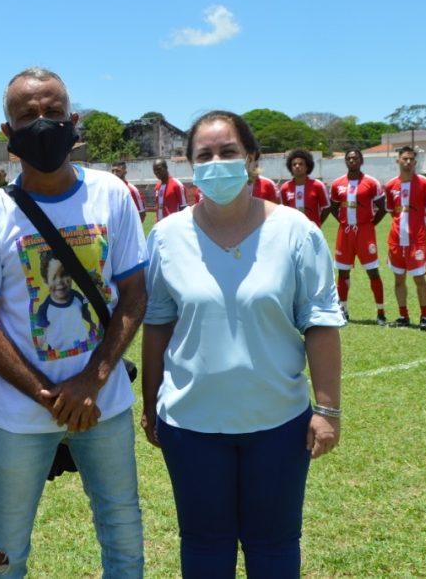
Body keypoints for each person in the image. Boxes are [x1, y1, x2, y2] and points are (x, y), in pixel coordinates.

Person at [0, 67, 146, 578]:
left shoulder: (111, 195)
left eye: (53, 113)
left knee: (123, 533)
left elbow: (134, 295)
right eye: (27, 116)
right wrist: (49, 396)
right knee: (5, 549)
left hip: (103, 406)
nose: (42, 124)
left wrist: (93, 381)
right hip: (20, 414)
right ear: (7, 134)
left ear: (73, 121)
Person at [141, 110, 343, 578]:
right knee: (204, 547)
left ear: (252, 160)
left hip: (277, 424)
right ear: (190, 165)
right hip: (191, 424)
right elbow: (157, 324)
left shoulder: (296, 231)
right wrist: (150, 403)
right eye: (204, 155)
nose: (217, 163)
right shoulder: (167, 237)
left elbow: (320, 323)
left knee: (273, 546)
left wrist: (328, 410)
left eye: (228, 152)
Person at [329, 149, 388, 324]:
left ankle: (381, 312)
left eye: (355, 158)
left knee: (373, 271)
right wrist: (342, 221)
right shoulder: (337, 183)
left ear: (361, 161)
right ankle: (344, 310)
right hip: (345, 232)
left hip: (364, 232)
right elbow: (333, 206)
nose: (352, 161)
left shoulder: (371, 182)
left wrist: (369, 225)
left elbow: (383, 207)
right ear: (345, 161)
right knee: (343, 272)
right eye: (349, 158)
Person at [383, 147, 426, 330]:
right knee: (399, 279)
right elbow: (392, 212)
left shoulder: (425, 184)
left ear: (415, 162)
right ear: (397, 161)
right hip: (396, 239)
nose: (407, 162)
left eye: (411, 159)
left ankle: (424, 316)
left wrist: (418, 226)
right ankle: (403, 315)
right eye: (404, 159)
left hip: (417, 241)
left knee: (419, 279)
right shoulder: (390, 185)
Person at [279, 148, 330, 227]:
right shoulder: (285, 188)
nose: (297, 166)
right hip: (293, 230)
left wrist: (318, 223)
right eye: (294, 164)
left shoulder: (317, 185)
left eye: (301, 164)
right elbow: (284, 211)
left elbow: (326, 208)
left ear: (307, 167)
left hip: (312, 229)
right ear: (290, 168)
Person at [154, 157, 187, 223]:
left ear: (166, 168)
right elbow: (158, 207)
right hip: (160, 226)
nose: (157, 172)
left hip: (174, 226)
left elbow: (184, 208)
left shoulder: (177, 185)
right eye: (154, 170)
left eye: (159, 169)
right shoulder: (157, 187)